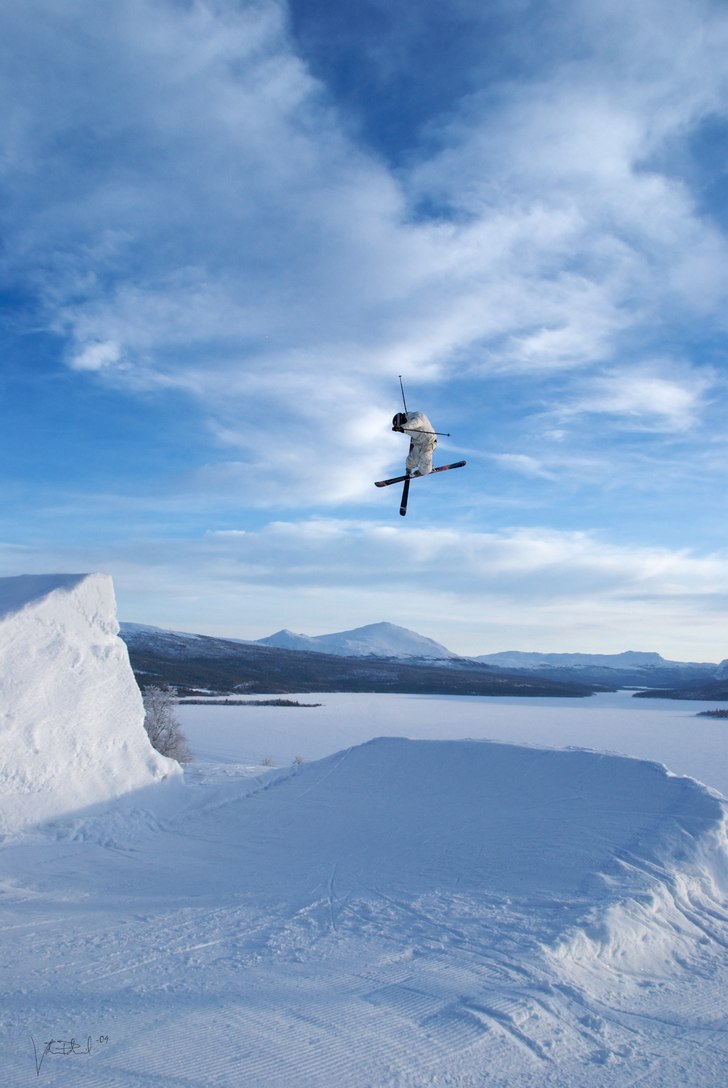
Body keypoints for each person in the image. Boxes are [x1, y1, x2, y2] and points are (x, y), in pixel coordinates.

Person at [392, 410, 437, 476]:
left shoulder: (417, 416)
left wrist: (402, 428)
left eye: (401, 424)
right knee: (413, 458)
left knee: (425, 456)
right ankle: (408, 469)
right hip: (418, 442)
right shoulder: (407, 424)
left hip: (429, 441)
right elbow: (409, 427)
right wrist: (402, 428)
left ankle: (425, 470)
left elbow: (415, 423)